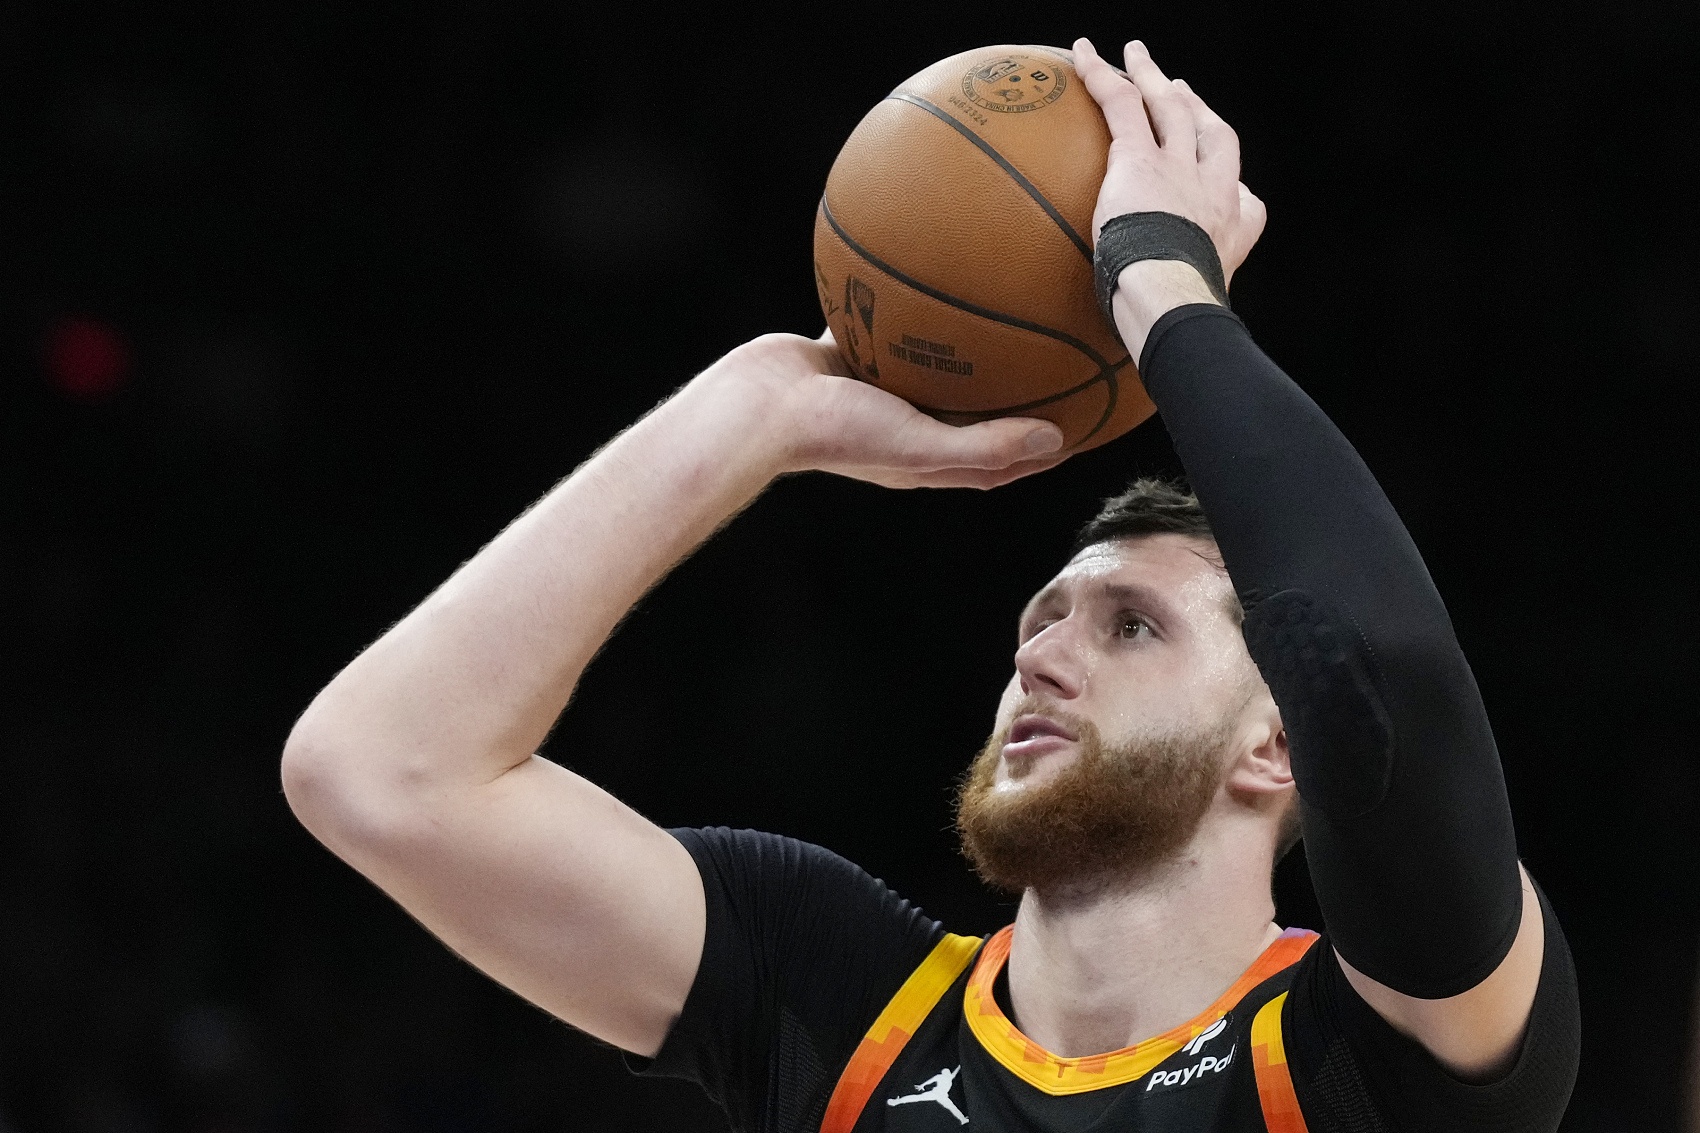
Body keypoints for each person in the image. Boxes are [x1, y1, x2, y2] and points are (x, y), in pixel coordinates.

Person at [280, 37, 1579, 1132]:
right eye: (1041, 621)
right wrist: (756, 412)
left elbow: (1377, 675)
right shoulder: (844, 1000)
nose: (1045, 656)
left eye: (1132, 626)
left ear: (1277, 746)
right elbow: (379, 771)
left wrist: (1165, 286)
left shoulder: (1365, 1056)